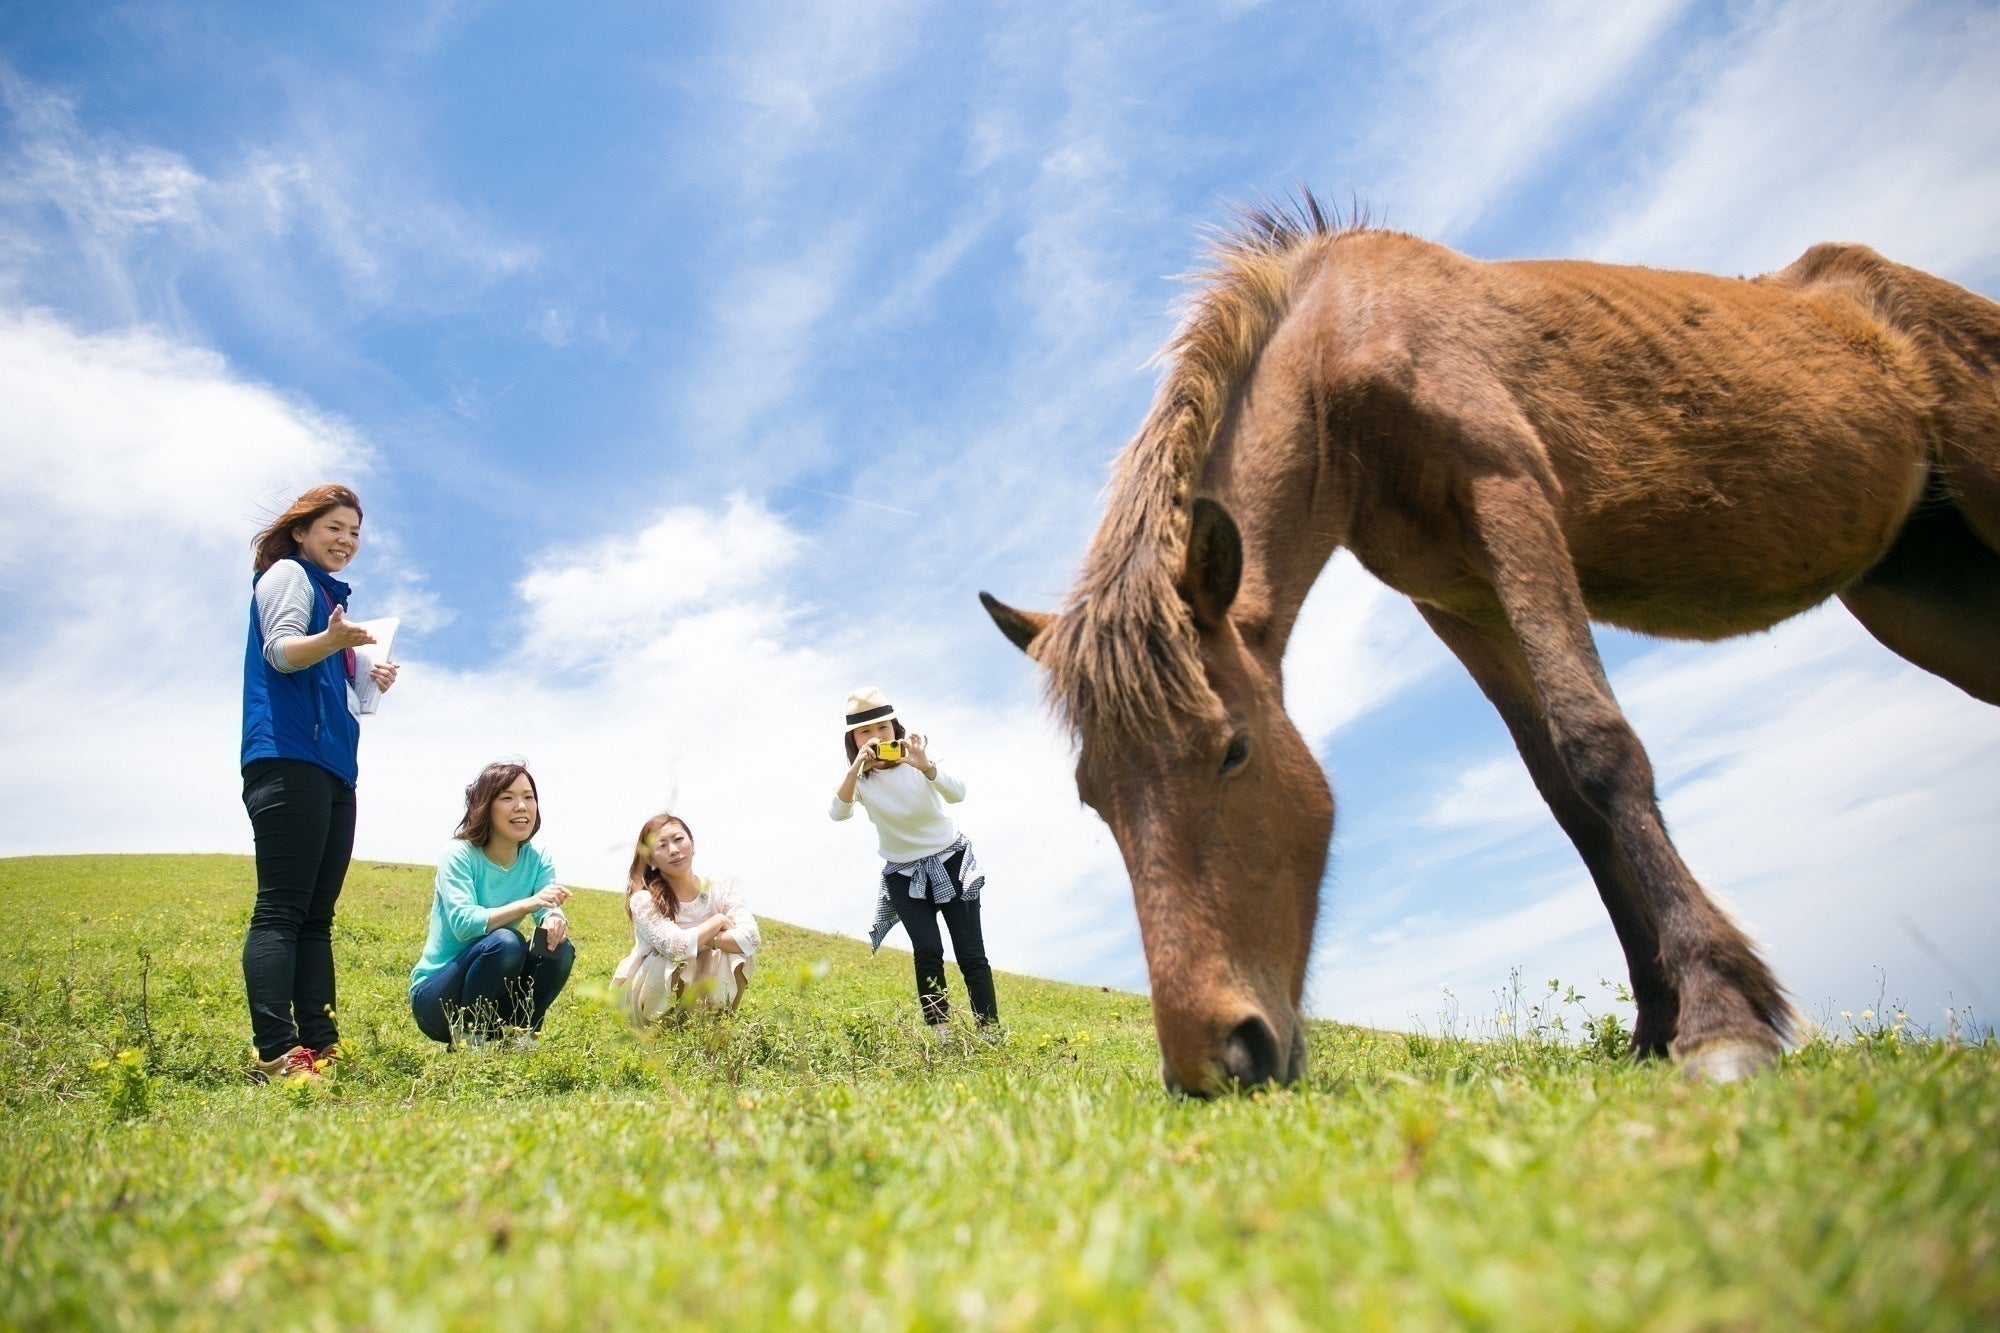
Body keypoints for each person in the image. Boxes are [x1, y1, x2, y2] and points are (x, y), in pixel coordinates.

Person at [239, 483, 399, 1081]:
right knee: (281, 910)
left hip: (333, 766)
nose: (346, 540)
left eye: (354, 532)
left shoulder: (334, 602)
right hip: (286, 757)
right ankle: (276, 1052)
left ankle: (321, 1045)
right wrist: (331, 640)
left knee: (316, 917)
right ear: (302, 531)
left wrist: (368, 678)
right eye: (334, 527)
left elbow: (341, 695)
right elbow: (281, 652)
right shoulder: (287, 575)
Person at [830, 686, 997, 1034]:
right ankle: (941, 1036)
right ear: (853, 738)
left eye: (883, 727)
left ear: (895, 726)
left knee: (970, 953)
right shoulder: (858, 777)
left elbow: (958, 793)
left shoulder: (921, 754)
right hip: (903, 873)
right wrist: (855, 770)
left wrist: (926, 767)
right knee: (927, 951)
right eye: (865, 731)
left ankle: (989, 1032)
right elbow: (838, 813)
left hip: (951, 860)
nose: (877, 736)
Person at [410, 761, 576, 1048]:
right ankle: (470, 1039)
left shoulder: (537, 858)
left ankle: (522, 1037)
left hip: (496, 991)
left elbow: (546, 905)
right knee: (507, 941)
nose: (522, 806)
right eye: (507, 798)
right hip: (438, 997)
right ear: (485, 806)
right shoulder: (459, 854)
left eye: (529, 797)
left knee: (557, 948)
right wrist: (527, 904)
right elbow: (464, 924)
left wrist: (553, 919)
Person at [612, 813, 762, 1023]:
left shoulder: (721, 889)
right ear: (651, 860)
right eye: (662, 845)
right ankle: (665, 1029)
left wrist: (707, 942)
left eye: (678, 839)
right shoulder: (644, 900)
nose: (673, 850)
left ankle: (717, 1024)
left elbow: (751, 938)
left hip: (700, 987)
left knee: (737, 952)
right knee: (674, 960)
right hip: (649, 999)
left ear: (692, 843)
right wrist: (718, 921)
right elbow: (676, 948)